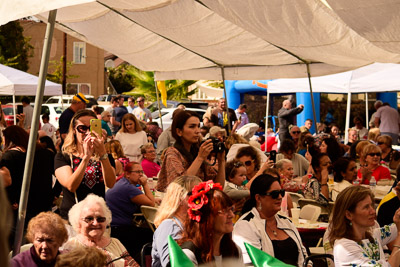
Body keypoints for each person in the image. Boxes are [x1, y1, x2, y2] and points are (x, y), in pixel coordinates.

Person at [233, 174, 308, 266]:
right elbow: (252, 263)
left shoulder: (286, 222)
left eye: (282, 192)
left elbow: (304, 254)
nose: (280, 197)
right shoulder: (245, 225)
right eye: (274, 194)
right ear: (258, 198)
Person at [54, 109, 116, 219]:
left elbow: (110, 184)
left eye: (92, 128)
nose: (87, 132)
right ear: (74, 130)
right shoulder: (63, 156)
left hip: (98, 217)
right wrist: (86, 157)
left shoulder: (105, 156)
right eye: (82, 128)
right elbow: (71, 186)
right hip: (73, 218)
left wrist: (102, 154)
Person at [2, 126, 55, 247]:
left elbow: (9, 182)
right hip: (43, 203)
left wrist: (11, 200)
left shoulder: (10, 156)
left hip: (22, 207)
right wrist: (54, 194)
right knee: (42, 240)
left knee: (20, 243)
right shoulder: (44, 153)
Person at [329, 186, 400, 267]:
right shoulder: (344, 247)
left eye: (371, 205)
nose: (373, 211)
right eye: (366, 207)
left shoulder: (372, 235)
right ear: (348, 215)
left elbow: (398, 226)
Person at [156, 110, 225, 192]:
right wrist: (200, 157)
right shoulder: (172, 153)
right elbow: (180, 186)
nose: (198, 131)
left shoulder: (196, 152)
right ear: (179, 132)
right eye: (192, 126)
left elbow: (217, 186)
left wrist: (222, 160)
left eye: (198, 126)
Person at [64, 194, 139, 267]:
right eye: (89, 219)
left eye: (100, 219)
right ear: (78, 222)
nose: (96, 223)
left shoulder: (115, 243)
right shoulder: (71, 246)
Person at [178, 180, 241, 265]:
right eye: (223, 211)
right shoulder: (188, 254)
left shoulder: (234, 251)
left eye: (231, 209)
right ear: (207, 216)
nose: (232, 215)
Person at [106, 162, 155, 261]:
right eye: (137, 172)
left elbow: (142, 199)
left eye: (141, 172)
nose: (141, 175)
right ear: (127, 174)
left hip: (112, 228)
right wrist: (145, 184)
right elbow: (151, 203)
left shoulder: (121, 183)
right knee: (154, 234)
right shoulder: (129, 188)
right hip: (121, 230)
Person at [151, 175, 202, 267]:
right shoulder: (169, 226)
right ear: (179, 198)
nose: (200, 198)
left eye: (202, 193)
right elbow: (172, 263)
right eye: (194, 193)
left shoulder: (195, 223)